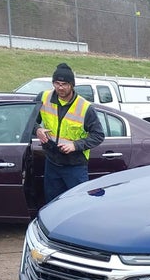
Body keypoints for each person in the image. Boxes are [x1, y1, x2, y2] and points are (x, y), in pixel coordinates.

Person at [34, 63, 105, 203]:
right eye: (57, 83)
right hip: (52, 161)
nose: (60, 87)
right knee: (52, 203)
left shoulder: (84, 107)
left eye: (64, 84)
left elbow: (98, 135)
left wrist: (75, 145)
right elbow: (28, 121)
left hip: (75, 165)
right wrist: (37, 129)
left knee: (78, 203)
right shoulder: (44, 97)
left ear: (72, 85)